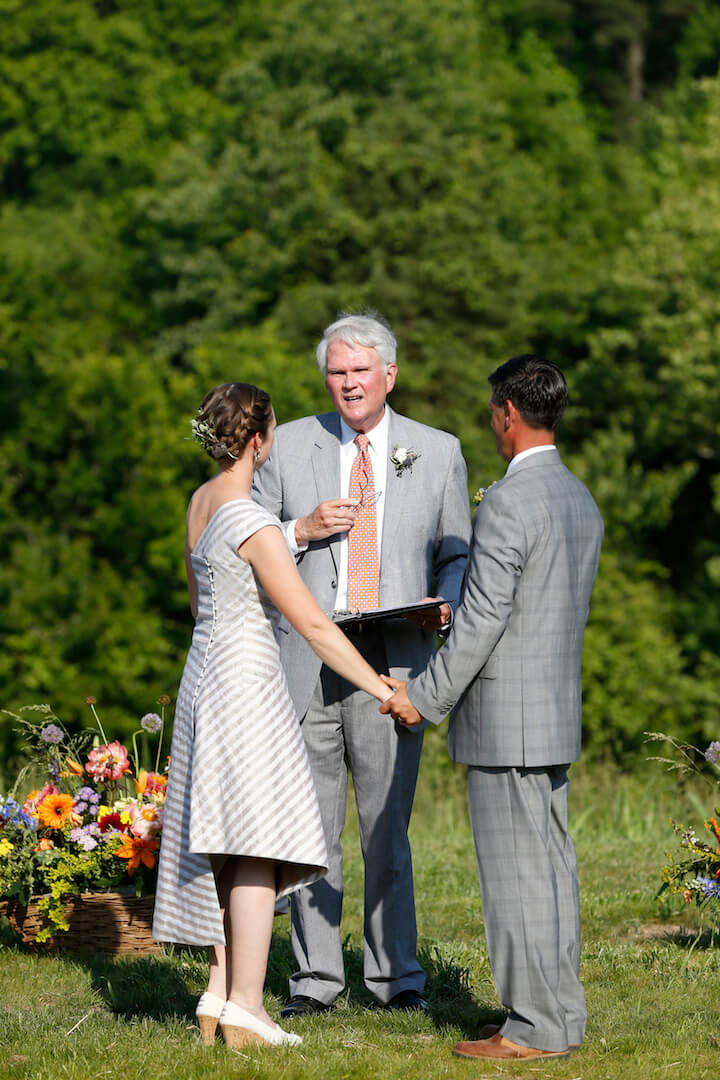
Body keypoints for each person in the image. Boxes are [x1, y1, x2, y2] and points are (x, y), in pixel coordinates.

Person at [152, 382, 396, 1050]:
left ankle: (216, 997)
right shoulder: (252, 520)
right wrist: (376, 683)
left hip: (203, 671)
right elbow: (312, 623)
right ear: (259, 440)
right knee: (257, 842)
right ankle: (249, 1010)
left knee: (224, 842)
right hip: (244, 682)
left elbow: (204, 608)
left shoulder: (201, 504)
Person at [381, 354, 604, 1061]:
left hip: (506, 721)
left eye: (491, 412)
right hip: (553, 713)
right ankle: (560, 1015)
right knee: (551, 873)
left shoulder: (509, 500)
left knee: (516, 880)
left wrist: (424, 696)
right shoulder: (578, 496)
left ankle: (531, 1028)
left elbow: (483, 622)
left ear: (508, 413)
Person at [253, 312, 471, 1016]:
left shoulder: (437, 450)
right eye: (336, 373)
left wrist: (448, 602)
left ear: (390, 375)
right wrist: (301, 529)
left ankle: (395, 977)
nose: (347, 384)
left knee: (386, 826)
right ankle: (315, 980)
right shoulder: (287, 447)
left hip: (393, 657)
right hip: (307, 656)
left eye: (359, 371)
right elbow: (248, 541)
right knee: (310, 828)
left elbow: (457, 550)